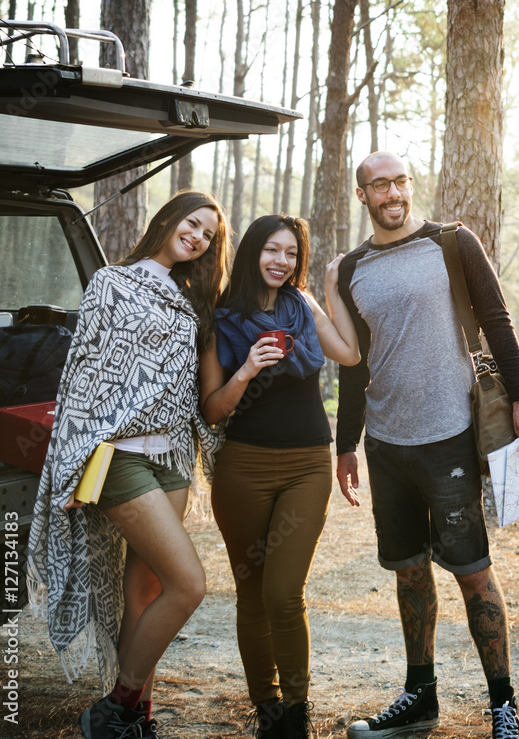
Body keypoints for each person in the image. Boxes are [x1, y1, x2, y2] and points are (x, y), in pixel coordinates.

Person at [334, 151, 519, 739]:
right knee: (408, 573)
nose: (393, 193)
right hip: (386, 444)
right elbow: (353, 366)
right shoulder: (353, 269)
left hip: (451, 436)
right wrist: (345, 443)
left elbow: (497, 318)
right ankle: (419, 696)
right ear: (363, 197)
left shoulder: (453, 244)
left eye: (400, 181)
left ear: (410, 185)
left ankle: (503, 705)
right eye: (380, 186)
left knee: (474, 572)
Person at [27, 190, 231, 739]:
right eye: (192, 223)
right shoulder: (111, 284)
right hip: (119, 459)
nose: (197, 237)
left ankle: (136, 718)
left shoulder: (191, 301)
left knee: (146, 592)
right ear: (167, 219)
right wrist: (73, 457)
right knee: (188, 584)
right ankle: (113, 707)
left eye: (208, 235)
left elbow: (190, 385)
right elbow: (84, 377)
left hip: (172, 457)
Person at [198, 214, 360, 739]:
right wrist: (246, 369)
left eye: (292, 253)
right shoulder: (220, 319)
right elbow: (214, 411)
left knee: (284, 593)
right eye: (272, 250)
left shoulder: (302, 306)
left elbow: (351, 353)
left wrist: (331, 289)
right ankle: (266, 710)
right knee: (251, 593)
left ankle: (295, 713)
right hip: (242, 467)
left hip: (307, 462)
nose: (281, 262)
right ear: (252, 253)